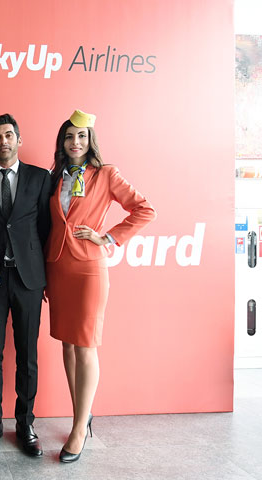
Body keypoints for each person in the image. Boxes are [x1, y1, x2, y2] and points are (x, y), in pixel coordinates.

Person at [45, 110, 155, 463]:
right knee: (67, 344)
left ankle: (79, 428)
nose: (75, 142)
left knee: (86, 345)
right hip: (58, 268)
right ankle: (82, 412)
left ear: (91, 140)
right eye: (69, 136)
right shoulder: (55, 176)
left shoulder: (106, 174)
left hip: (88, 269)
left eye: (81, 136)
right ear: (62, 142)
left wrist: (107, 237)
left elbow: (144, 209)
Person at [0, 114, 51, 457]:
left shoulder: (40, 177)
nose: (3, 141)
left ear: (18, 139)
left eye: (8, 135)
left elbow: (45, 228)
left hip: (29, 279)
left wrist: (45, 276)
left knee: (27, 355)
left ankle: (26, 424)